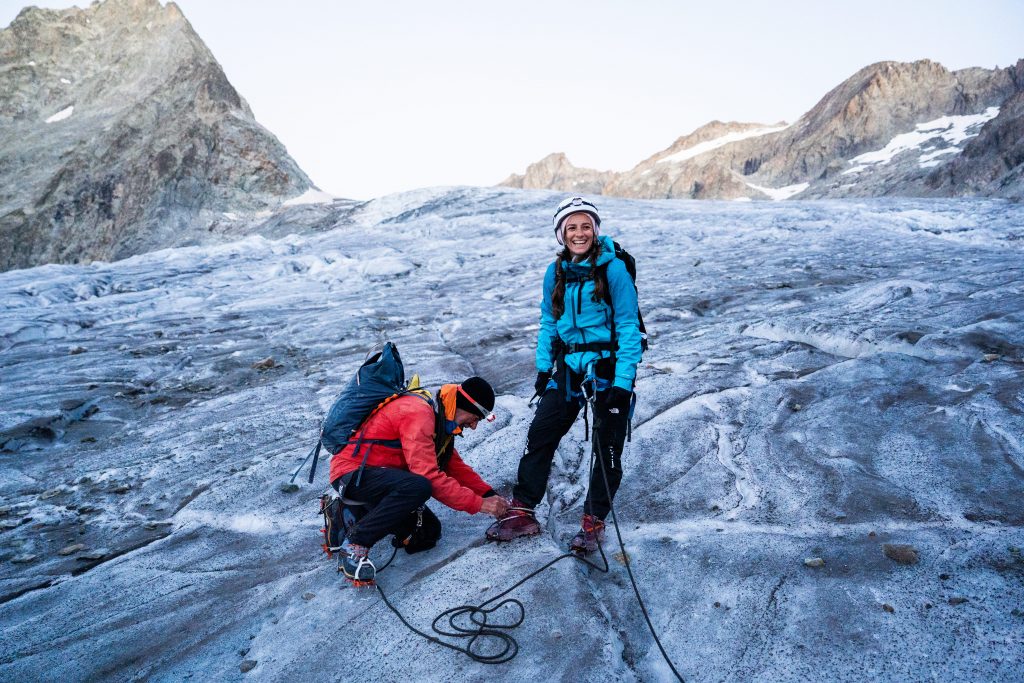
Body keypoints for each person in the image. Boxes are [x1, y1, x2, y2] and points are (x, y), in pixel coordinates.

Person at [487, 197, 641, 554]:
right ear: (561, 233)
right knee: (541, 432)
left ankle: (593, 522)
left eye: (585, 226)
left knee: (607, 447)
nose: (579, 233)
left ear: (595, 230)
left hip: (608, 366)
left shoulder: (613, 269)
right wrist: (544, 369)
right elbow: (549, 323)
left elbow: (629, 326)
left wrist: (622, 381)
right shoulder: (554, 273)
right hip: (568, 367)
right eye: (571, 227)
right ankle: (523, 511)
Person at [329, 376, 509, 583]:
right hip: (352, 473)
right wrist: (480, 504)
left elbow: (454, 467)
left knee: (425, 535)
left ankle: (350, 511)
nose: (475, 425)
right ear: (464, 405)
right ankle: (354, 544)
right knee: (418, 486)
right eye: (476, 417)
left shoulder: (441, 422)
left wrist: (490, 495)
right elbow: (428, 476)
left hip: (383, 479)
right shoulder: (420, 413)